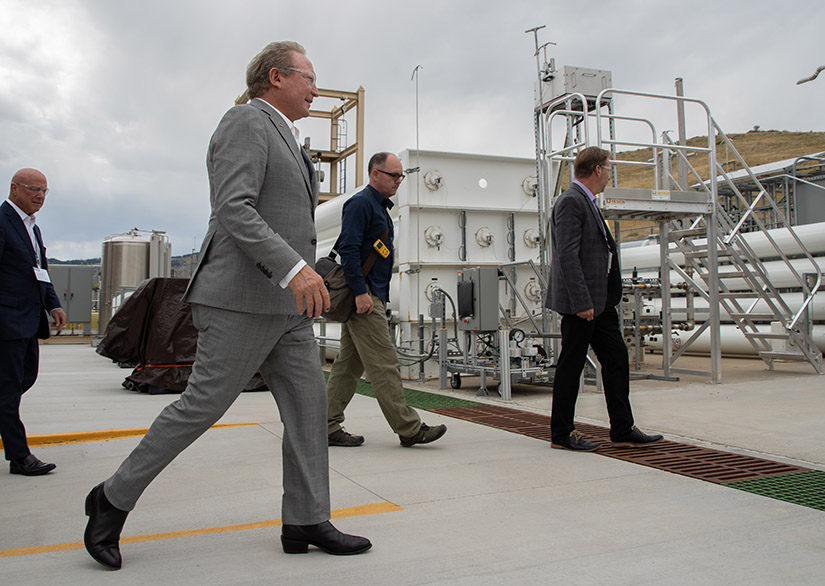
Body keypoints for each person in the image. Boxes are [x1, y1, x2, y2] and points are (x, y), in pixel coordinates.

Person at [83, 41, 371, 571]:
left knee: (309, 413)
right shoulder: (245, 122)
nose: (315, 88)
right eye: (309, 77)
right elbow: (233, 208)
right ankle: (112, 498)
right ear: (277, 76)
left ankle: (305, 518)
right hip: (240, 300)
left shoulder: (292, 139)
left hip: (287, 310)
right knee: (201, 408)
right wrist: (293, 268)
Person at [326, 152, 447, 448]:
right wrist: (360, 292)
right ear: (375, 174)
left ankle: (324, 424)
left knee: (349, 365)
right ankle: (409, 428)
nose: (398, 181)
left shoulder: (378, 207)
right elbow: (350, 250)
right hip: (364, 298)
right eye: (394, 175)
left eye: (401, 176)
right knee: (384, 363)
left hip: (370, 294)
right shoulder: (361, 204)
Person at [546, 146, 663, 451]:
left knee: (615, 360)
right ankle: (561, 433)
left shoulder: (587, 201)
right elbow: (568, 256)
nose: (610, 173)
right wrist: (583, 302)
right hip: (583, 304)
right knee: (571, 365)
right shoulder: (571, 201)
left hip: (601, 302)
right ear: (598, 169)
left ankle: (623, 428)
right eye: (609, 168)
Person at [0, 169, 67, 476]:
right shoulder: (3, 222)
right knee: (9, 390)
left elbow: (40, 269)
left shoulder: (33, 229)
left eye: (44, 191)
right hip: (7, 321)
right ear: (14, 188)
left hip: (28, 320)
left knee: (26, 378)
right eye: (33, 190)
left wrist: (53, 304)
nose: (40, 196)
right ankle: (19, 456)